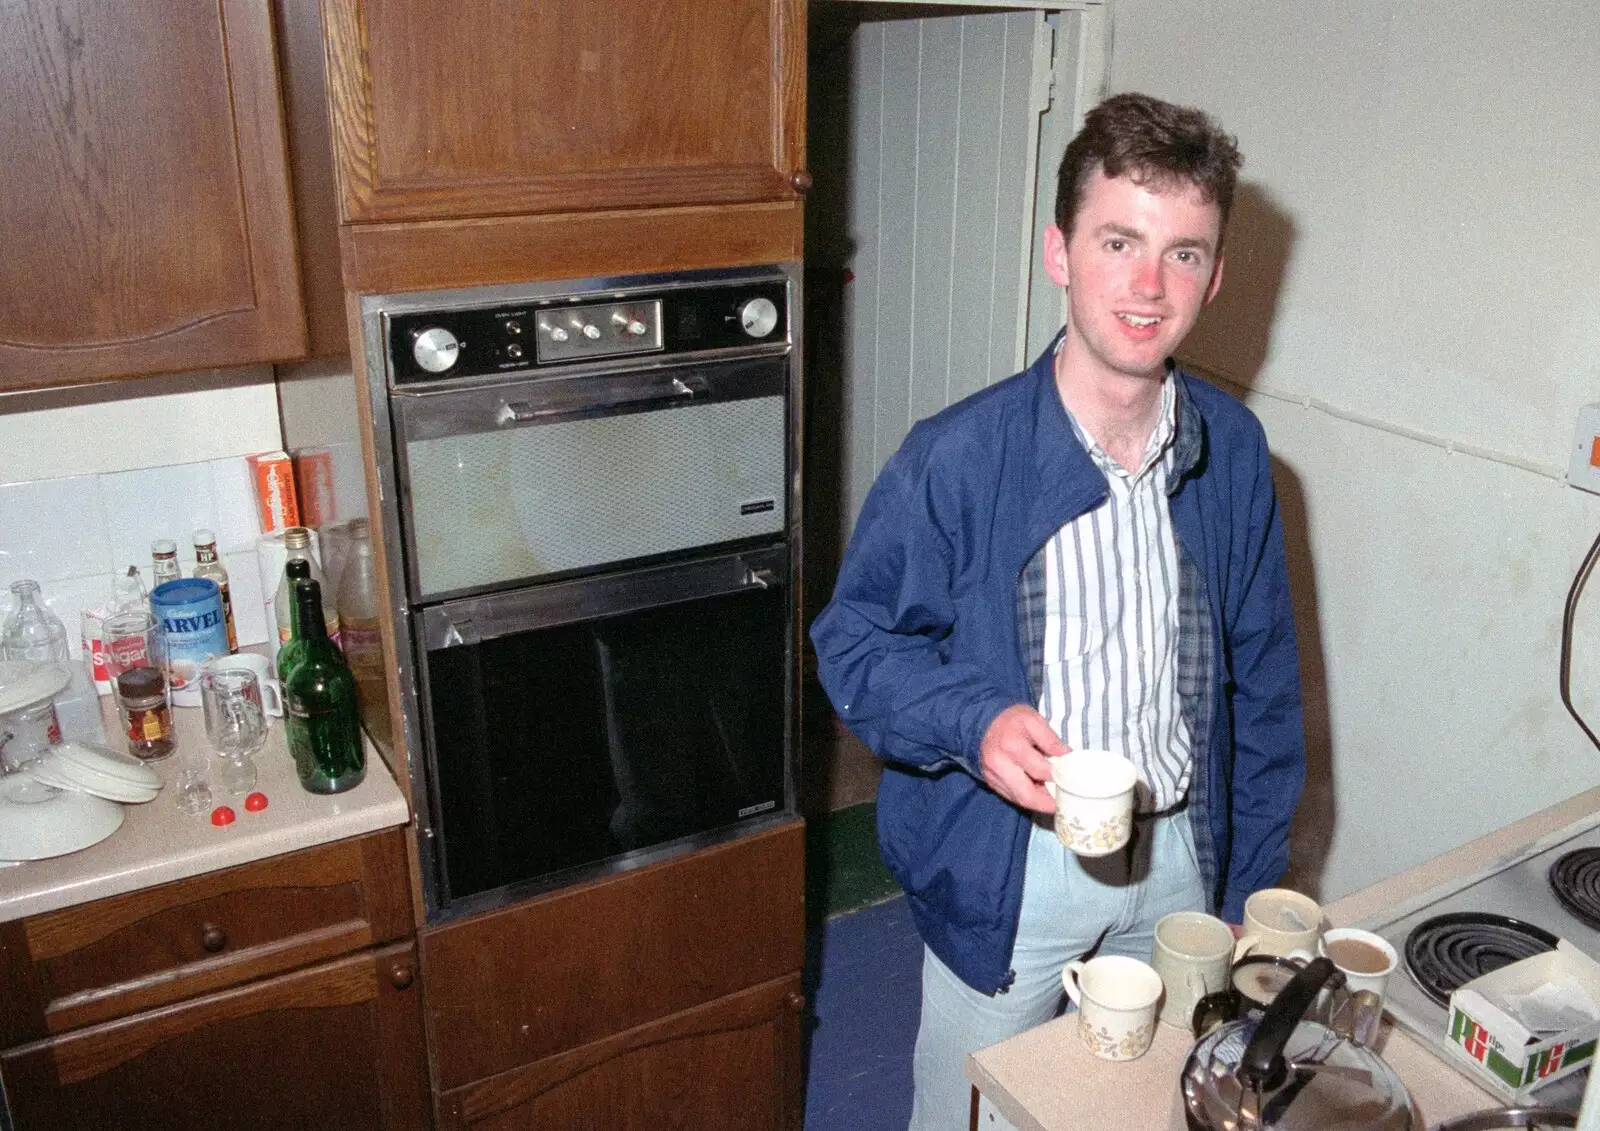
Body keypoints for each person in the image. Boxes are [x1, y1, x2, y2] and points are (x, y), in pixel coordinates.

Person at [809, 92, 1306, 1131]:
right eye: (1118, 240)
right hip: (1010, 867)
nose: (1145, 283)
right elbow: (853, 643)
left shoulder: (1237, 454)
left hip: (1180, 861)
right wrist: (971, 721)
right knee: (963, 1112)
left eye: (1181, 253)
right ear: (1058, 252)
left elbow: (1263, 688)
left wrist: (1240, 891)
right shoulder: (954, 457)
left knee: (1139, 1109)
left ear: (1214, 278)